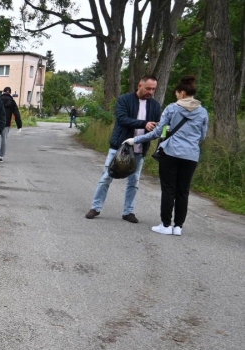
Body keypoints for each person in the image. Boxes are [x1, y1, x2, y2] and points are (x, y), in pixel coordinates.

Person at [123, 75, 208, 236]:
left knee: (168, 189)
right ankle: (178, 227)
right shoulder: (203, 112)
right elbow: (203, 136)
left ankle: (166, 225)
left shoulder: (172, 108)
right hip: (191, 156)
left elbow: (156, 132)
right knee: (183, 191)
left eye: (177, 94)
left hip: (171, 153)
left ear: (182, 93)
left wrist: (135, 139)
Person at [84, 75, 161, 223]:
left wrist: (156, 126)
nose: (150, 92)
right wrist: (144, 124)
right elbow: (122, 119)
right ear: (139, 86)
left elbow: (158, 123)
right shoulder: (124, 100)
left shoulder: (155, 105)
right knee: (106, 178)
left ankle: (128, 212)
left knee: (134, 182)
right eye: (148, 88)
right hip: (119, 147)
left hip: (140, 150)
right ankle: (95, 207)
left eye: (153, 89)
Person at [0, 86, 22, 163]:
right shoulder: (12, 102)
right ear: (10, 93)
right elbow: (16, 114)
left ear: (3, 92)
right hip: (6, 123)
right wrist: (19, 125)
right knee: (4, 139)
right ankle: (1, 156)